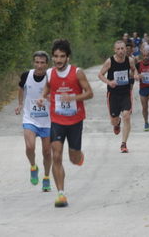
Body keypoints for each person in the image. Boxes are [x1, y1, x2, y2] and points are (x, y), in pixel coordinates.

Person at [37, 39, 93, 208]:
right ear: (53, 58)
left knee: (74, 159)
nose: (59, 60)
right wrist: (42, 97)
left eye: (62, 56)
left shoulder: (77, 73)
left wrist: (73, 98)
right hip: (57, 120)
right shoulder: (50, 73)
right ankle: (61, 194)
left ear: (68, 57)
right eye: (56, 56)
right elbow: (47, 88)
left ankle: (78, 156)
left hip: (75, 120)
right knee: (56, 155)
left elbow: (89, 93)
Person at [15, 51, 52, 192]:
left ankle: (47, 178)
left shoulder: (51, 77)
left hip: (48, 120)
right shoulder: (26, 75)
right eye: (37, 62)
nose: (39, 65)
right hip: (30, 117)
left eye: (42, 63)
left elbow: (57, 94)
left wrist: (48, 100)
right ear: (33, 63)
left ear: (47, 64)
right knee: (30, 147)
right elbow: (20, 88)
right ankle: (33, 166)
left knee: (47, 152)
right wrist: (20, 104)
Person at [98, 40, 138, 153]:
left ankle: (123, 144)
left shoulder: (130, 60)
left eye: (122, 48)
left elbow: (134, 70)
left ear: (126, 49)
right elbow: (100, 74)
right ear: (114, 50)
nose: (121, 51)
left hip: (126, 92)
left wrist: (135, 75)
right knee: (114, 120)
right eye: (118, 49)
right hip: (113, 94)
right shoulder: (109, 61)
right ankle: (117, 123)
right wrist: (109, 82)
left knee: (127, 115)